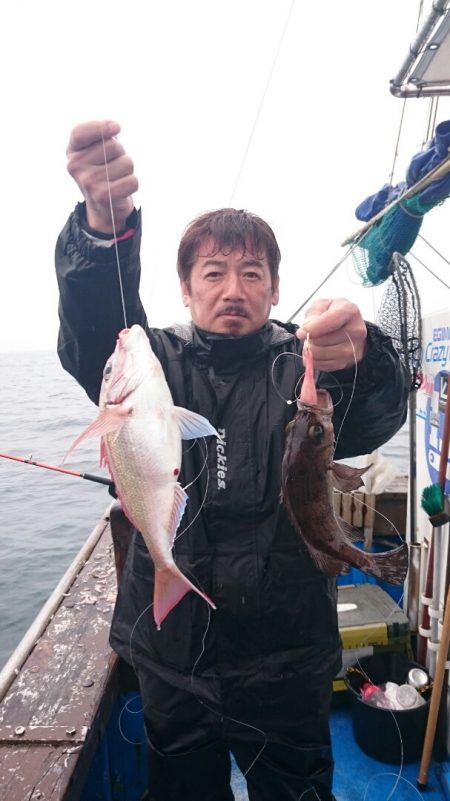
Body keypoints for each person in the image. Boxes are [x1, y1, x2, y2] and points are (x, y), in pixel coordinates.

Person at [55, 120, 410, 801]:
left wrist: (364, 358)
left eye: (252, 273)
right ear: (185, 289)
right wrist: (103, 230)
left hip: (288, 660)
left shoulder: (306, 365)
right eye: (213, 273)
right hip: (174, 658)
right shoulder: (151, 362)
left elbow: (373, 417)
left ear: (275, 289)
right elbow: (95, 332)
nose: (233, 289)